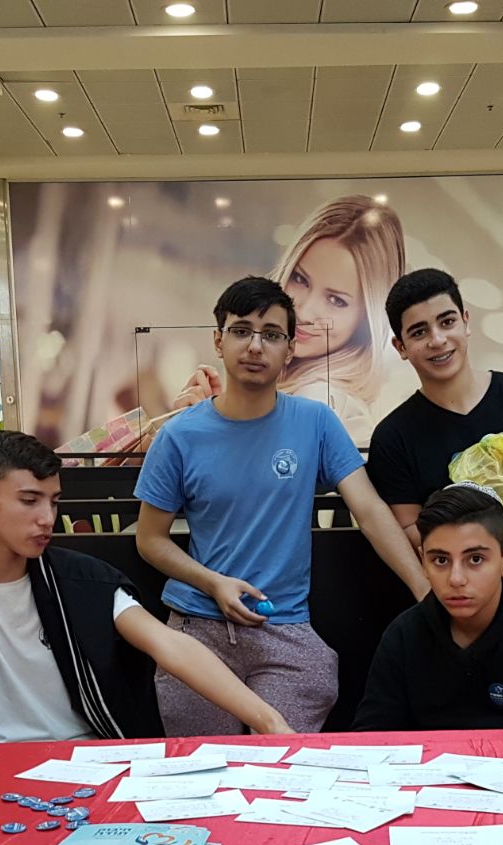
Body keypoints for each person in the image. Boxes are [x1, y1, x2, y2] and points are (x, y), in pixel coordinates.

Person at [0, 431, 292, 746]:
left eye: (54, 501)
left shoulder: (83, 581)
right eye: (30, 500)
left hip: (81, 763)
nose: (48, 518)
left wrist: (269, 721)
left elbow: (170, 645)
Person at [134, 275, 430, 736]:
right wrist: (213, 583)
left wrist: (424, 590)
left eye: (271, 334)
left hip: (285, 628)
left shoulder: (316, 422)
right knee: (206, 767)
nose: (255, 346)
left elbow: (371, 512)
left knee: (282, 765)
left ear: (290, 349)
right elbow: (150, 540)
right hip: (197, 628)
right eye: (241, 331)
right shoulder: (179, 436)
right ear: (218, 340)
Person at [366, 268, 503, 609]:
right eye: (419, 332)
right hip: (455, 602)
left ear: (466, 321)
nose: (438, 340)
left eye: (447, 321)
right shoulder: (393, 437)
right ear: (400, 347)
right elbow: (410, 529)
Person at [166, 195, 407, 446]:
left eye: (336, 300)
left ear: (366, 318)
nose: (304, 312)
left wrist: (200, 433)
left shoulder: (318, 398)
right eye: (300, 279)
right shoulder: (292, 387)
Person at [353, 483, 503, 731]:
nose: (456, 579)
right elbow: (370, 740)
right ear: (423, 562)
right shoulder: (403, 634)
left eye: (475, 559)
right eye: (440, 560)